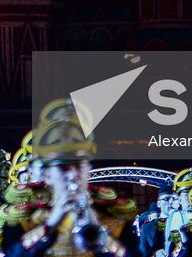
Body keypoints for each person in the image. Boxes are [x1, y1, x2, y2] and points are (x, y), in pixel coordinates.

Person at [7, 100, 123, 257]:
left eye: (79, 166)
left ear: (88, 169)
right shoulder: (24, 221)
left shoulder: (114, 219)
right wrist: (49, 225)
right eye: (63, 168)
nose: (72, 175)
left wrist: (101, 234)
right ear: (47, 174)